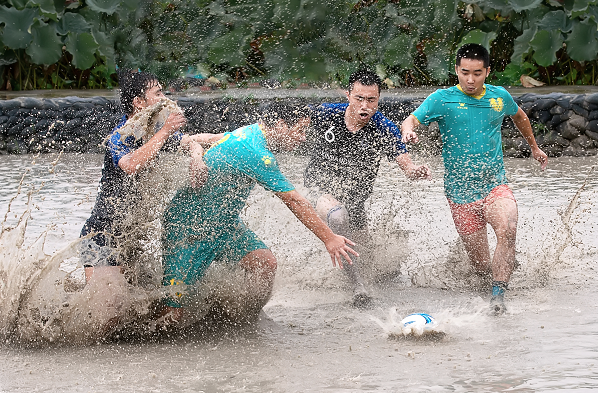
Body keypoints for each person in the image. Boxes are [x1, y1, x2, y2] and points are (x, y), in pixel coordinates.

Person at [161, 103, 359, 323]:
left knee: (265, 264)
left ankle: (238, 321)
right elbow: (294, 200)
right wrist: (329, 238)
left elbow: (198, 138)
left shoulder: (250, 132)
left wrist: (198, 156)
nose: (303, 138)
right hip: (189, 228)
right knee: (171, 316)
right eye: (301, 130)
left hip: (224, 226)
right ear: (281, 125)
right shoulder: (257, 153)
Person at [400, 43, 548, 315]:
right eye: (465, 72)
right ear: (456, 70)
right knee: (480, 267)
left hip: (494, 184)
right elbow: (409, 121)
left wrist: (534, 147)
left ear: (487, 71)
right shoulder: (441, 99)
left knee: (508, 228)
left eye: (477, 73)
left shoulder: (499, 96)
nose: (470, 79)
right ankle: (495, 273)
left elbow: (520, 116)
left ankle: (499, 295)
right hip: (460, 194)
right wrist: (408, 132)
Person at [304, 69, 431, 307]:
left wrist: (415, 171)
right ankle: (358, 289)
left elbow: (406, 165)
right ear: (348, 95)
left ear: (379, 99)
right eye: (359, 98)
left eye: (371, 100)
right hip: (319, 189)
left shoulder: (383, 128)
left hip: (355, 200)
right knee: (338, 217)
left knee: (367, 258)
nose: (364, 106)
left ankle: (366, 276)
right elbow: (291, 126)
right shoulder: (325, 114)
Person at [80, 70, 208, 283]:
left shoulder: (153, 132)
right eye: (158, 94)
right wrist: (165, 131)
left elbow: (192, 141)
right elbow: (131, 165)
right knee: (109, 309)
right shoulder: (119, 136)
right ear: (138, 102)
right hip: (103, 233)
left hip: (130, 237)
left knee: (136, 309)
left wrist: (197, 158)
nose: (165, 100)